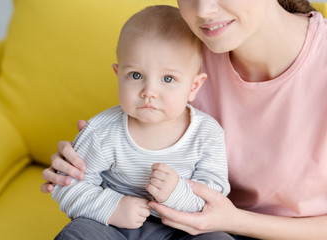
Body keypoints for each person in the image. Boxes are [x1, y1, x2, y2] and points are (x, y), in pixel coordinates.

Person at [42, 0, 327, 239]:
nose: (203, 10)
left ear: (195, 85)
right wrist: (77, 167)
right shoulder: (187, 43)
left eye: (168, 79)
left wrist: (231, 221)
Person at [51, 5, 231, 240]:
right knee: (77, 234)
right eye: (135, 75)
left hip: (183, 230)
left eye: (168, 79)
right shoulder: (102, 131)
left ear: (193, 87)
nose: (149, 92)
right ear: (118, 76)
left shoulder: (207, 134)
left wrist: (176, 193)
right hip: (113, 225)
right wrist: (114, 207)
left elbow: (214, 195)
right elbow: (67, 186)